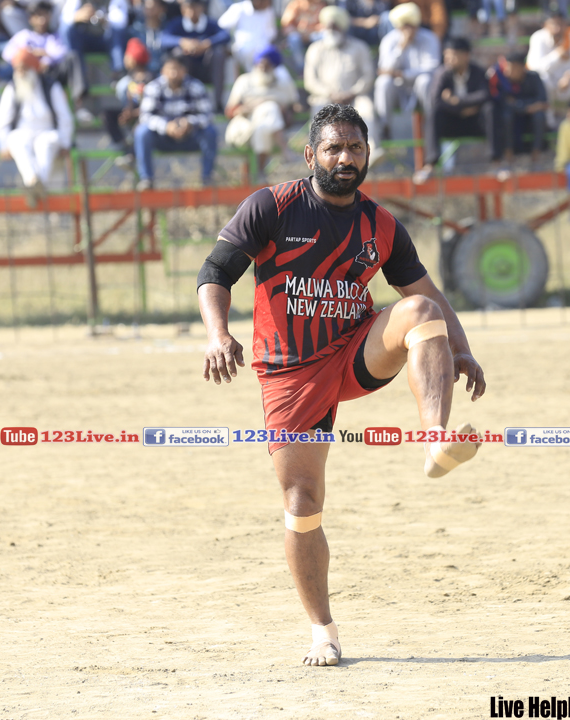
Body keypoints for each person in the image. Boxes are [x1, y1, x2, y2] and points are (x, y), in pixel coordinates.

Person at [197, 103, 485, 667]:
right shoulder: (272, 206)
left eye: (355, 148)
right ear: (311, 155)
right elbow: (215, 272)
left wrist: (462, 347)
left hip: (354, 350)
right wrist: (217, 334)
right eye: (333, 148)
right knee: (302, 502)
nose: (345, 158)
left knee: (421, 310)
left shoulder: (381, 225)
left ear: (368, 153)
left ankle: (436, 442)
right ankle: (322, 631)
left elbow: (428, 292)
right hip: (289, 373)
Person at [412, 36, 499, 185]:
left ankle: (497, 162)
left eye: (452, 55)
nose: (448, 59)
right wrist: (461, 109)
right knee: (434, 113)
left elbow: (485, 95)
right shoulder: (442, 74)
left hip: (474, 123)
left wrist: (457, 101)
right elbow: (436, 101)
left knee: (490, 109)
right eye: (446, 55)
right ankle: (430, 165)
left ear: (465, 55)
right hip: (451, 122)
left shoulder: (478, 72)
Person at [0, 47, 75, 205]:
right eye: (17, 69)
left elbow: (65, 117)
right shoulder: (12, 87)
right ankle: (34, 182)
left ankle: (34, 186)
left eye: (24, 68)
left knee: (45, 144)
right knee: (16, 141)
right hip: (22, 132)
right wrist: (3, 146)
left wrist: (65, 143)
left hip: (47, 131)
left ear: (33, 69)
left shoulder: (51, 86)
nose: (21, 73)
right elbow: (1, 121)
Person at [133, 54, 217, 190]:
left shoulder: (196, 87)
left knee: (210, 132)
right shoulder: (153, 87)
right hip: (162, 138)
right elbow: (145, 116)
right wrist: (166, 127)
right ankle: (146, 179)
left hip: (190, 137)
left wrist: (189, 123)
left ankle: (207, 179)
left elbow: (208, 116)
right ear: (162, 71)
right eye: (170, 69)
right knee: (142, 132)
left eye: (177, 69)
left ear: (185, 70)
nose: (173, 74)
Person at [303, 6, 376, 151]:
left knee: (367, 108)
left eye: (335, 26)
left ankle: (371, 152)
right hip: (326, 97)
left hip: (354, 97)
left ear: (342, 27)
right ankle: (317, 155)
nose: (331, 29)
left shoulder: (359, 47)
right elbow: (310, 81)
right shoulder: (315, 49)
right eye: (328, 26)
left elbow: (368, 76)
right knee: (319, 111)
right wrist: (330, 93)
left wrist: (353, 92)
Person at [224, 45, 298, 179]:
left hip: (270, 129)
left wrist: (280, 108)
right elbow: (230, 111)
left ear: (273, 66)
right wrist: (251, 107)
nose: (263, 68)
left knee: (268, 113)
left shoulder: (283, 83)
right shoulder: (244, 81)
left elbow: (293, 108)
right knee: (269, 109)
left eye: (267, 65)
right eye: (260, 64)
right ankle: (283, 151)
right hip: (245, 127)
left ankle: (258, 172)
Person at [374, 1, 439, 140]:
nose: (408, 29)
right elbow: (385, 69)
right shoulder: (389, 40)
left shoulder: (430, 38)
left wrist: (404, 74)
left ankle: (432, 125)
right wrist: (401, 47)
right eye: (404, 25)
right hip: (398, 90)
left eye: (411, 25)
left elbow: (432, 68)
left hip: (420, 89)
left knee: (425, 80)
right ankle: (385, 127)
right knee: (383, 82)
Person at [1, 1, 86, 100]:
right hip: (29, 73)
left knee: (73, 57)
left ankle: (80, 99)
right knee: (14, 69)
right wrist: (30, 55)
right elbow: (7, 54)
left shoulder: (54, 36)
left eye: (45, 14)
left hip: (50, 74)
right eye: (38, 15)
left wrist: (45, 58)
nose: (42, 20)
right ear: (30, 19)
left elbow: (60, 53)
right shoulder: (24, 35)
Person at [526, 12, 570, 121]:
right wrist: (557, 55)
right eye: (554, 24)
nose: (558, 28)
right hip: (550, 85)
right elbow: (534, 68)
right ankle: (549, 122)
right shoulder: (538, 38)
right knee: (542, 78)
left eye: (561, 24)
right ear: (545, 25)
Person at [160, 0, 229, 108]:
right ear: (182, 9)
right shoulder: (176, 23)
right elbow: (163, 39)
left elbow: (225, 35)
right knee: (178, 53)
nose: (192, 11)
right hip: (186, 67)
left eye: (195, 7)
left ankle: (218, 103)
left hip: (207, 67)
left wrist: (207, 44)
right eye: (189, 7)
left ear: (202, 8)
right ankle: (185, 102)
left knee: (218, 53)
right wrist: (183, 42)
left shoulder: (210, 23)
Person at [489, 49, 547, 171]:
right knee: (506, 115)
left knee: (539, 115)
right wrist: (527, 107)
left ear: (521, 68)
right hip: (512, 121)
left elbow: (542, 101)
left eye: (512, 68)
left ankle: (536, 156)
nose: (508, 71)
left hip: (529, 121)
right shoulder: (503, 81)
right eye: (507, 67)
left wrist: (520, 105)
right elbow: (505, 103)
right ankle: (508, 156)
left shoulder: (533, 77)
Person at [58, 0, 131, 75]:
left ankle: (119, 73)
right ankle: (75, 75)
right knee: (66, 28)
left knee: (117, 30)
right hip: (83, 41)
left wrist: (103, 19)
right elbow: (63, 19)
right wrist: (76, 17)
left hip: (106, 40)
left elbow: (121, 22)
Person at [217, 0, 276, 72]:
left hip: (263, 50)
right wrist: (229, 46)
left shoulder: (269, 11)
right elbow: (221, 27)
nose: (268, 3)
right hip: (243, 50)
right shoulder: (239, 8)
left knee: (277, 67)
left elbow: (272, 34)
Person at [280, 0, 326, 72]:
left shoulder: (320, 5)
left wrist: (310, 32)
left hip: (314, 34)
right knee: (294, 38)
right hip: (299, 35)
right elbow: (286, 24)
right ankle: (302, 70)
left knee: (324, 36)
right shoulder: (296, 4)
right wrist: (299, 32)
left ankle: (320, 66)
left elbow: (325, 24)